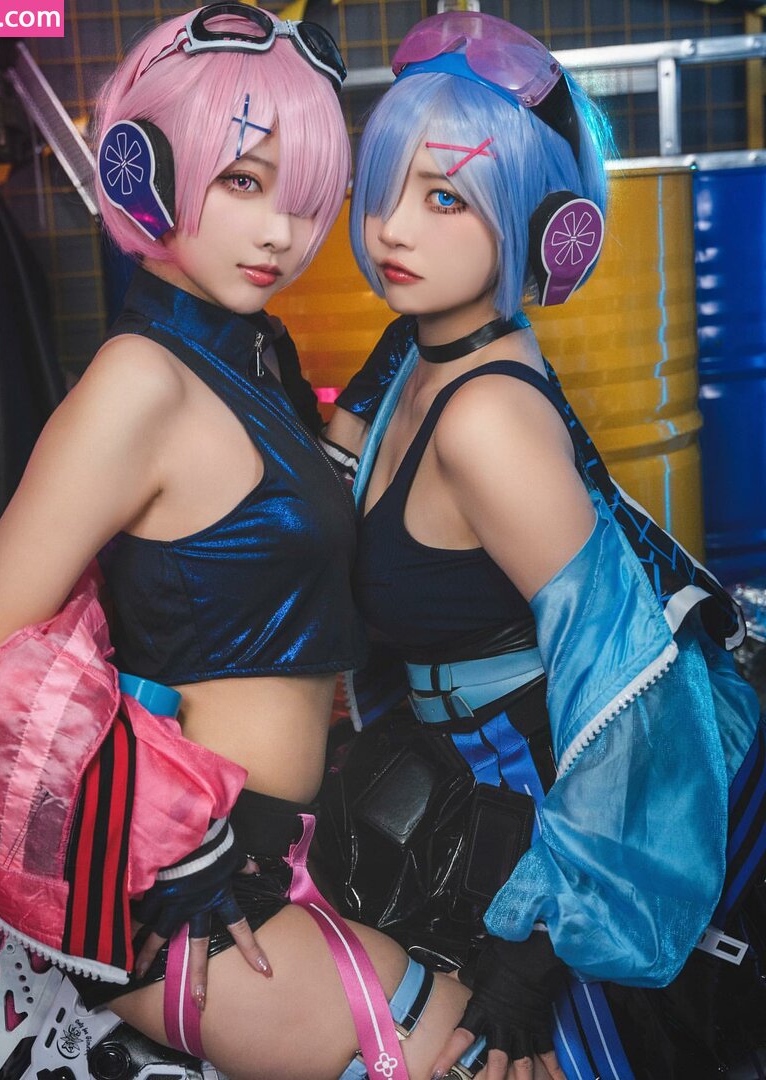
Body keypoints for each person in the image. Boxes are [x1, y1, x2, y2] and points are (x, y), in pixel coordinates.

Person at [0, 6, 489, 1080]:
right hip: (185, 904)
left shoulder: (252, 355)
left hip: (283, 853)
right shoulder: (139, 382)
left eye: (303, 199)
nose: (280, 234)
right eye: (243, 183)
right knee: (479, 1050)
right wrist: (151, 856)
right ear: (141, 173)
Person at [317, 11, 766, 1080]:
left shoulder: (486, 419)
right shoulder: (417, 357)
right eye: (385, 186)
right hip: (480, 807)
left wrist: (538, 953)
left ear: (538, 223)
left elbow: (631, 702)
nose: (392, 228)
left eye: (445, 198)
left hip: (579, 842)